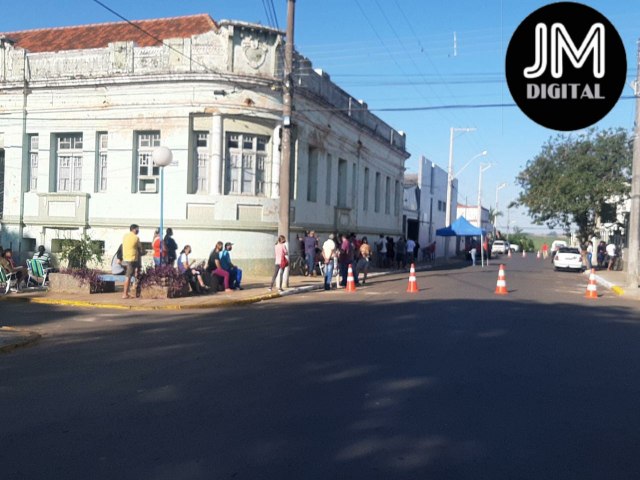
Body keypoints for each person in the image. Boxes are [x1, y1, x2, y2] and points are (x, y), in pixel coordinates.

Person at [121, 224, 142, 299]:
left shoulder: (125, 236)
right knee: (128, 276)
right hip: (132, 259)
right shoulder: (136, 238)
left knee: (131, 275)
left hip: (125, 258)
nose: (138, 230)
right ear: (134, 229)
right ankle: (125, 294)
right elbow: (140, 249)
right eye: (137, 229)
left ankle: (130, 291)